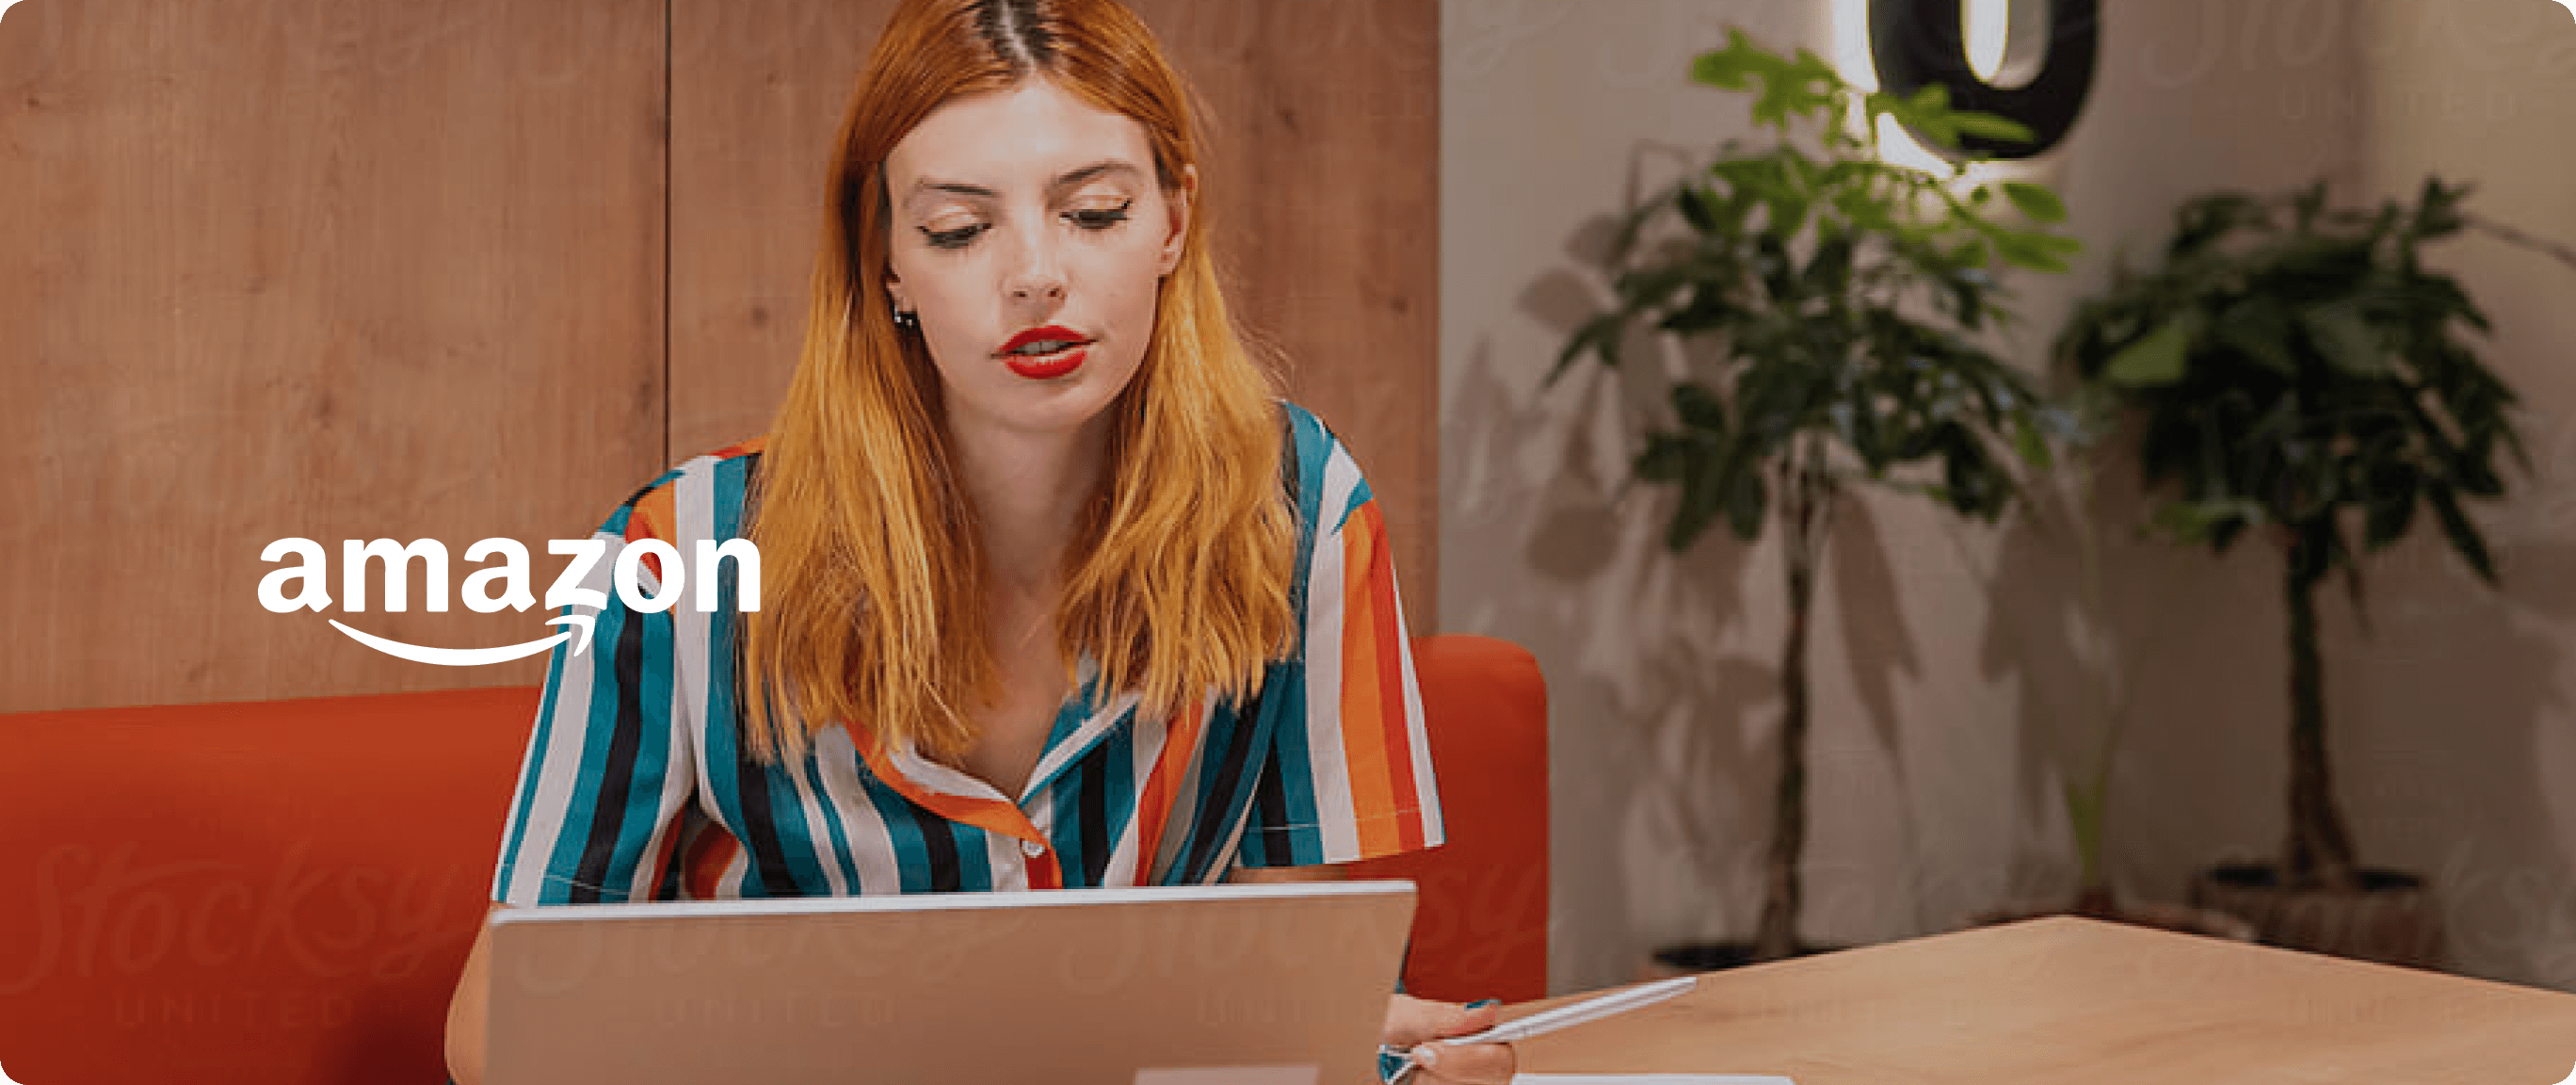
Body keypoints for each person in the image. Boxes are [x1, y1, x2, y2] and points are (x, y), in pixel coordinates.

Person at [440, 1, 1513, 1082]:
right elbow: (497, 1031)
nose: (1034, 274)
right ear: (888, 263)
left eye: (1094, 212)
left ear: (1174, 223)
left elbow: (1294, 988)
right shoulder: (674, 552)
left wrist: (1366, 1054)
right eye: (959, 229)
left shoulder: (1301, 505)